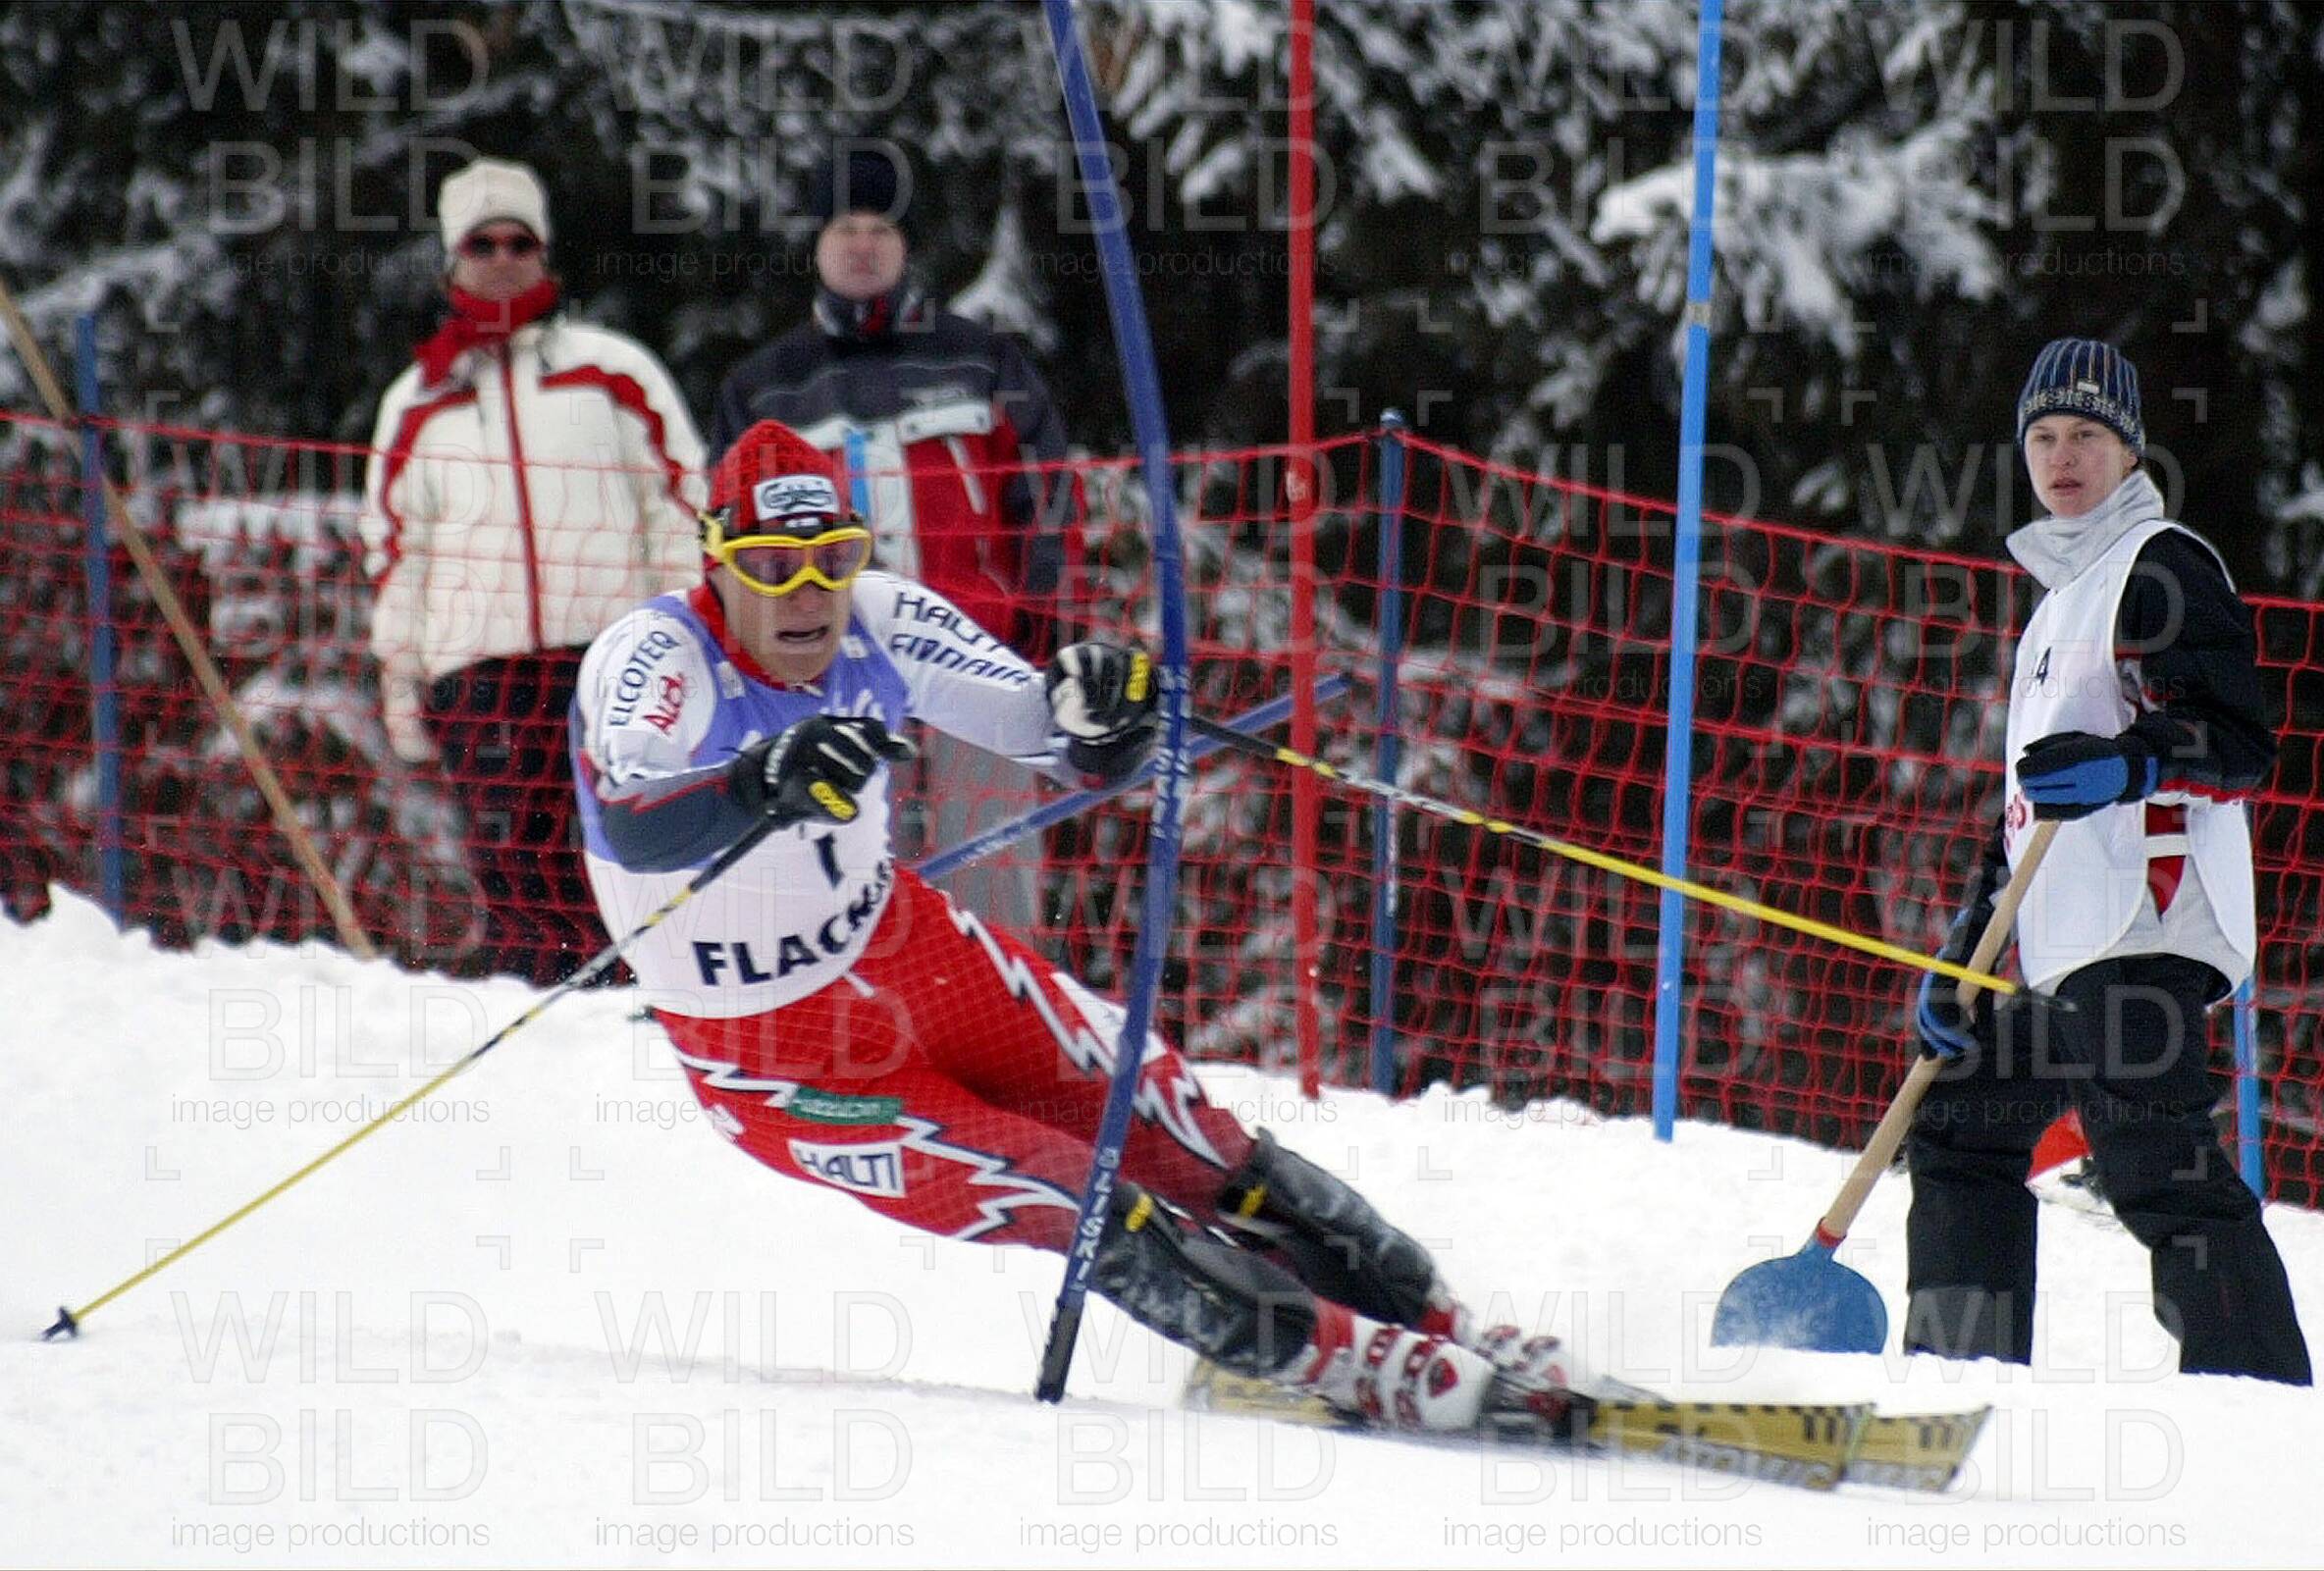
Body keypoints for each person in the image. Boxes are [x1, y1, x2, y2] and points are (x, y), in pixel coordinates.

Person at [567, 420, 1582, 1433]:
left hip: (914, 953)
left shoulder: (879, 616)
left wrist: (1100, 712)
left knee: (1182, 1130)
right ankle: (1350, 1362)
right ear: (715, 562)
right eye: (771, 565)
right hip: (771, 1049)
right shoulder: (657, 657)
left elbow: (1048, 733)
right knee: (1075, 1195)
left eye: (832, 559)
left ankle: (1442, 1321)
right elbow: (628, 814)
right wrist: (754, 781)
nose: (807, 594)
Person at [1906, 338, 2311, 1384]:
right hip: (2071, 946)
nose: (2062, 455)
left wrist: (2133, 763)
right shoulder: (2059, 600)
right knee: (1960, 1116)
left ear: (2130, 449)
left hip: (2146, 928)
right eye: (2043, 434)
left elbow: (2238, 740)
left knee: (2156, 1169)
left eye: (2087, 433)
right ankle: (1961, 1376)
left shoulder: (2161, 564)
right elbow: (2028, 810)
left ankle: (2258, 1394)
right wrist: (1966, 947)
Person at [709, 146, 1075, 931]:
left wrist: (1039, 633)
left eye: (881, 228)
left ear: (908, 245)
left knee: (996, 891)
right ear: (816, 244)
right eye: (845, 228)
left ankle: (1008, 1001)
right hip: (834, 680)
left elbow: (1046, 502)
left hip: (979, 664)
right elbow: (725, 549)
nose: (863, 245)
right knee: (855, 893)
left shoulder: (981, 360)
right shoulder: (764, 386)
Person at [361, 157, 706, 982]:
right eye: (482, 244)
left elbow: (680, 509)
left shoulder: (613, 370)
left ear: (544, 252)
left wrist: (686, 641)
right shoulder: (417, 399)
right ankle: (530, 1017)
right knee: (514, 870)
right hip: (478, 677)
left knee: (622, 856)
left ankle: (638, 1008)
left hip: (609, 662)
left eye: (519, 242)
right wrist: (401, 678)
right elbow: (396, 551)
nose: (503, 259)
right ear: (453, 261)